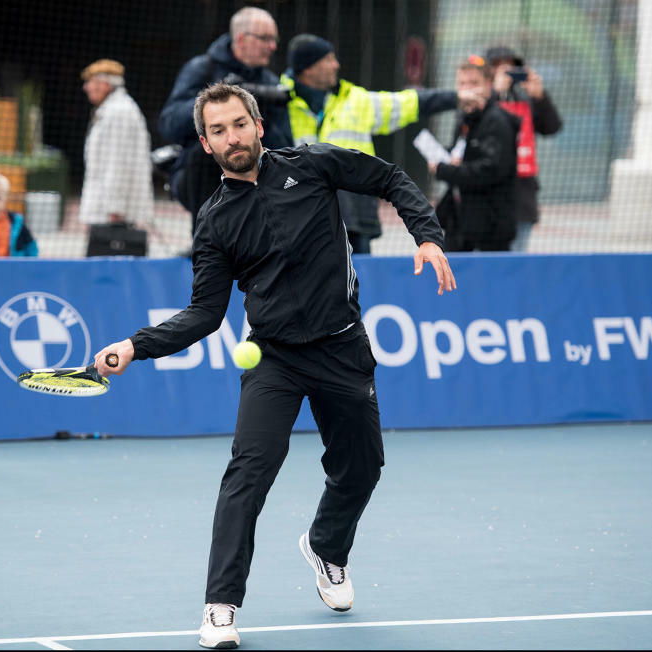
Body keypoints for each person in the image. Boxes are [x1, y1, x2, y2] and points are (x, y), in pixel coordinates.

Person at [92, 83, 456, 650]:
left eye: (239, 124)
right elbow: (206, 314)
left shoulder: (311, 165)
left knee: (362, 467)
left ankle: (326, 548)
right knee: (248, 474)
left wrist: (427, 237)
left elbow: (388, 177)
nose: (231, 137)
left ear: (259, 126)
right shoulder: (214, 222)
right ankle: (220, 606)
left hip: (342, 347)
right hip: (275, 360)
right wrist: (136, 346)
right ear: (205, 143)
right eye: (218, 130)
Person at [281, 33, 484, 254]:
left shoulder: (355, 100)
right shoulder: (277, 105)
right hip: (303, 220)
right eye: (328, 59)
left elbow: (408, 103)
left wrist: (454, 98)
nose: (336, 65)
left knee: (359, 283)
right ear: (308, 68)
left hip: (355, 221)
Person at [158, 6, 292, 242]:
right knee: (214, 150)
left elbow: (284, 147)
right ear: (241, 39)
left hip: (254, 181)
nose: (272, 46)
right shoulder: (203, 68)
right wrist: (215, 101)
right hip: (199, 179)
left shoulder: (270, 83)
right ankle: (205, 242)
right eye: (265, 39)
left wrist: (260, 117)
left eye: (274, 40)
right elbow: (169, 124)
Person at [429, 56, 520, 252]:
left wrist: (444, 170)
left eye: (474, 83)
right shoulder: (464, 119)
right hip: (460, 225)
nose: (467, 89)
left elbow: (491, 169)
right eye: (462, 83)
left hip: (489, 231)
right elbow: (463, 154)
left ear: (488, 85)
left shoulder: (496, 121)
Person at [485, 45, 563, 252]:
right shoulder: (481, 98)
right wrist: (495, 93)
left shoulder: (525, 99)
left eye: (510, 66)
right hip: (488, 196)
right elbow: (471, 125)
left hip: (521, 196)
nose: (505, 71)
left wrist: (540, 97)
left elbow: (552, 127)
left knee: (516, 258)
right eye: (498, 66)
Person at [77, 58, 154, 251]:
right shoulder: (113, 109)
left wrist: (116, 209)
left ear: (104, 84)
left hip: (112, 214)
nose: (86, 87)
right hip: (108, 210)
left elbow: (118, 163)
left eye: (90, 82)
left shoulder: (118, 112)